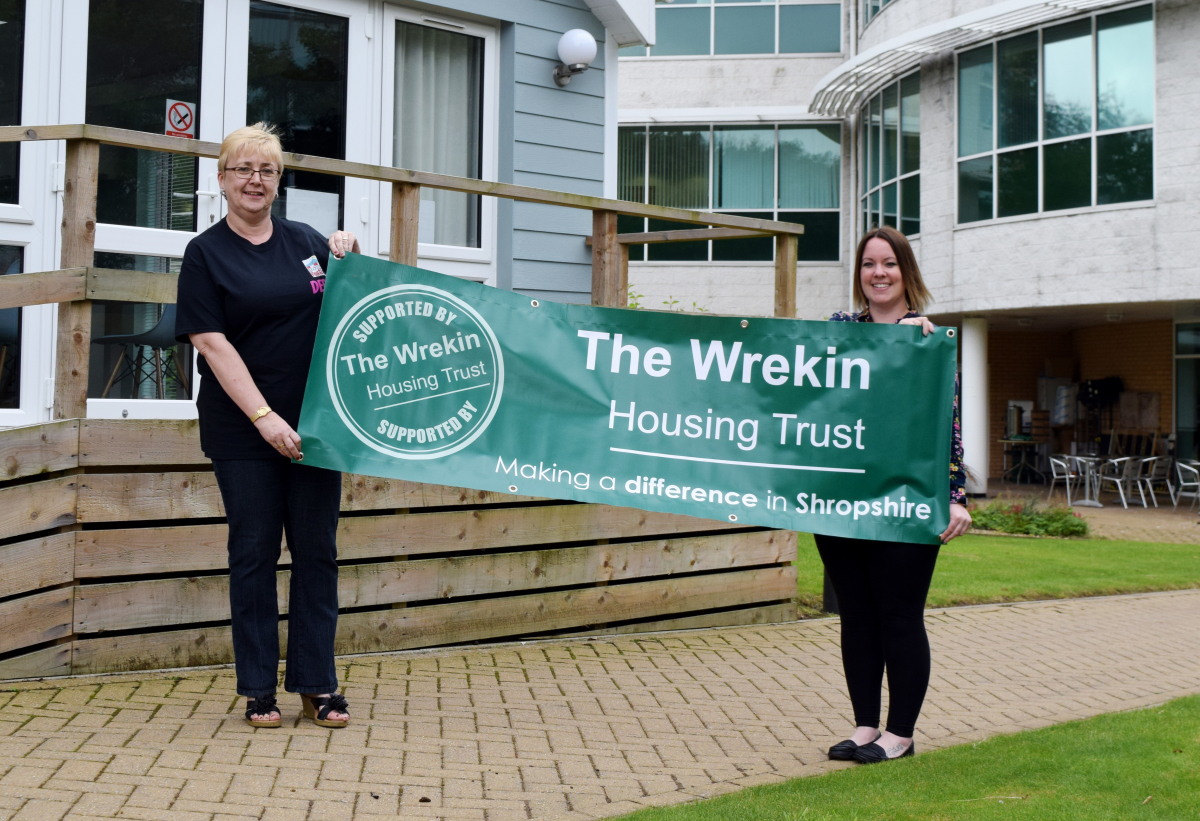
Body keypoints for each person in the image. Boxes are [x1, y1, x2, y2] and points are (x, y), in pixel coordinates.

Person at [175, 123, 361, 729]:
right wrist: (264, 418)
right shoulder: (205, 254)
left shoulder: (307, 242)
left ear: (279, 182)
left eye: (268, 171)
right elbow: (211, 342)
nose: (255, 180)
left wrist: (350, 259)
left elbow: (354, 310)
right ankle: (259, 689)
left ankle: (317, 682)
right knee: (253, 553)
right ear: (223, 178)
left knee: (317, 553)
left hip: (314, 428)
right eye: (243, 169)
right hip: (243, 430)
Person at [819, 225, 971, 764]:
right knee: (856, 615)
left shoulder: (930, 340)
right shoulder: (837, 331)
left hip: (907, 500)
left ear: (906, 272)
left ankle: (900, 734)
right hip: (840, 498)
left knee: (899, 616)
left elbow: (947, 425)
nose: (878, 273)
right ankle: (865, 726)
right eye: (868, 264)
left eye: (889, 263)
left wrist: (955, 496)